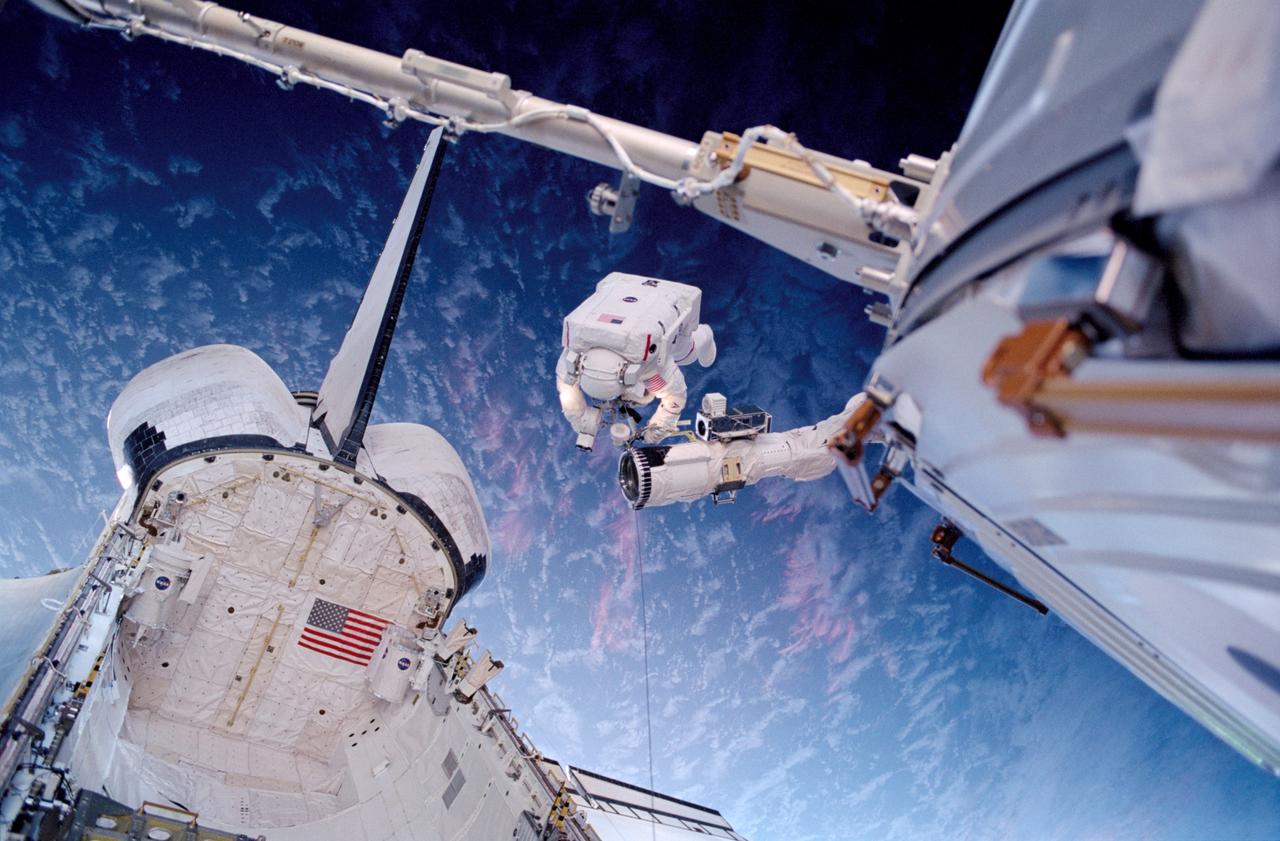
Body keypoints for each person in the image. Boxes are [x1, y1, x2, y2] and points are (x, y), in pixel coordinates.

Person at [556, 272, 715, 450]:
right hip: (621, 288)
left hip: (671, 297)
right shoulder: (577, 346)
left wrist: (653, 434)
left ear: (627, 375)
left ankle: (706, 335)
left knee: (685, 354)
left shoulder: (648, 365)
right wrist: (582, 421)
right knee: (645, 393)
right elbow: (566, 384)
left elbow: (674, 397)